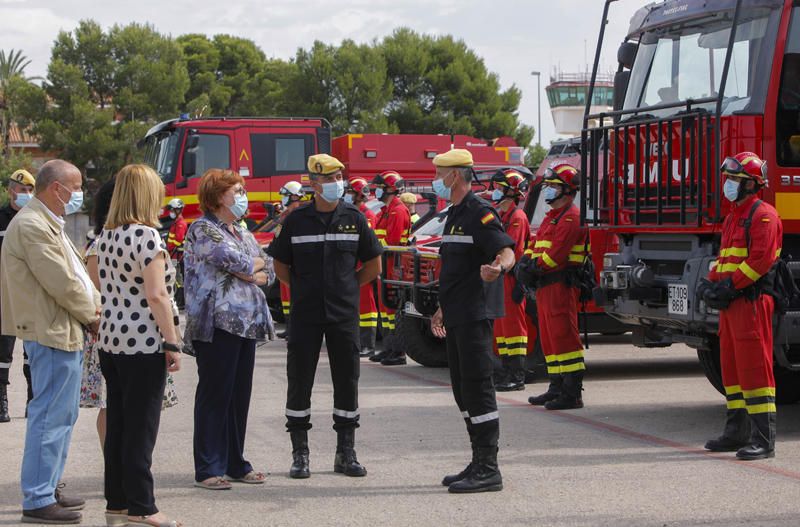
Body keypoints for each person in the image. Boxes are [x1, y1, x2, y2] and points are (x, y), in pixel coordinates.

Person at [268, 154, 382, 480]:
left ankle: (346, 452)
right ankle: (300, 454)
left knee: (347, 380)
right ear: (315, 183)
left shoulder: (355, 218)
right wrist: (304, 289)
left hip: (343, 314)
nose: (336, 183)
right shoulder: (296, 220)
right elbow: (280, 266)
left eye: (338, 177)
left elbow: (372, 264)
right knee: (299, 380)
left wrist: (347, 287)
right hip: (305, 314)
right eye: (330, 178)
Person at [1, 160, 100, 524]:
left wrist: (92, 309)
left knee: (63, 415)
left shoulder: (46, 222)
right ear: (55, 188)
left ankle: (49, 485)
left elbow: (75, 275)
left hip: (63, 329)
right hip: (53, 330)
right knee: (49, 416)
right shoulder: (31, 224)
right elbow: (61, 281)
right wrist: (93, 315)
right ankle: (39, 496)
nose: (79, 193)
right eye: (75, 187)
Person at [96, 164, 183, 527]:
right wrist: (172, 342)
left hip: (110, 339)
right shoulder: (148, 237)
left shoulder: (105, 236)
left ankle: (116, 499)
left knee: (118, 422)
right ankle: (143, 506)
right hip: (143, 341)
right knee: (141, 426)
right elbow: (157, 295)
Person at [429, 149, 515, 493]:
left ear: (455, 175)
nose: (435, 178)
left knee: (478, 388)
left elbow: (506, 249)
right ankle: (477, 459)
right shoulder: (454, 214)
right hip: (456, 313)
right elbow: (454, 268)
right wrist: (441, 307)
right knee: (462, 389)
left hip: (475, 314)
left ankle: (489, 467)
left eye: (438, 172)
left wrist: (499, 268)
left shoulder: (479, 212)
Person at [184, 168, 273, 490]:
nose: (243, 196)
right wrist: (250, 268)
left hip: (245, 324)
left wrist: (251, 268)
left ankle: (236, 462)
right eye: (237, 191)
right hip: (216, 323)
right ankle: (208, 467)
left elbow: (267, 267)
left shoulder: (242, 232)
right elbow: (240, 263)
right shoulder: (203, 230)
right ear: (218, 196)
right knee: (215, 394)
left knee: (238, 396)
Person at [699, 152, 781, 460]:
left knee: (755, 369)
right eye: (728, 179)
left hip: (751, 303)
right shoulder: (734, 216)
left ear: (751, 184)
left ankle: (763, 439)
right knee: (731, 369)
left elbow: (759, 261)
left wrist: (730, 286)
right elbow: (726, 259)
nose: (728, 184)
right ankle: (736, 432)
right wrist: (710, 282)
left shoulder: (764, 215)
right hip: (732, 305)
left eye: (734, 180)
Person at [517, 163, 588, 411]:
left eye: (553, 186)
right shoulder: (552, 217)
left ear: (567, 190)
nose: (547, 190)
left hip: (560, 285)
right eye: (547, 185)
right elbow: (535, 244)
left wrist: (533, 268)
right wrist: (525, 260)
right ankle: (556, 387)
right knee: (550, 339)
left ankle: (572, 393)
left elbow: (555, 256)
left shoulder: (572, 218)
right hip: (545, 286)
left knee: (564, 338)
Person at [489, 170, 531, 392]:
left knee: (514, 329)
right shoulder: (502, 216)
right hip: (499, 278)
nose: (495, 192)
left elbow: (509, 249)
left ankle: (517, 375)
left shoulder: (517, 217)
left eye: (499, 188)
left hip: (511, 279)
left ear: (511, 192)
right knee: (502, 330)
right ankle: (505, 372)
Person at [0, 168, 35, 423]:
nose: (27, 194)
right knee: (3, 352)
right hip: (4, 294)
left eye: (31, 190)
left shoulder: (35, 218)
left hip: (30, 294)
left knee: (32, 351)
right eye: (23, 190)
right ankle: (1, 402)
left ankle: (33, 401)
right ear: (11, 190)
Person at [369, 171, 411, 366]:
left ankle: (398, 352)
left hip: (392, 265)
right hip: (383, 263)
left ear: (390, 189)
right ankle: (389, 348)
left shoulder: (398, 211)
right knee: (385, 311)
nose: (376, 191)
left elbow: (392, 242)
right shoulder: (385, 211)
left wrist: (373, 245)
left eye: (379, 188)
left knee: (393, 310)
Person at [345, 177, 379, 358]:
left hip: (363, 265)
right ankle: (359, 341)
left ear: (359, 195)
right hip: (352, 264)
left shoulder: (367, 216)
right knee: (357, 305)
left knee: (367, 306)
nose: (347, 195)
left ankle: (368, 344)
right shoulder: (352, 212)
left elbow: (366, 244)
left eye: (350, 192)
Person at [275, 181, 306, 340]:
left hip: (295, 261)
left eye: (286, 196)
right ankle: (289, 327)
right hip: (285, 260)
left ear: (295, 196)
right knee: (286, 297)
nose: (283, 199)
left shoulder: (300, 214)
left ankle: (296, 328)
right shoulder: (285, 214)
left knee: (295, 296)